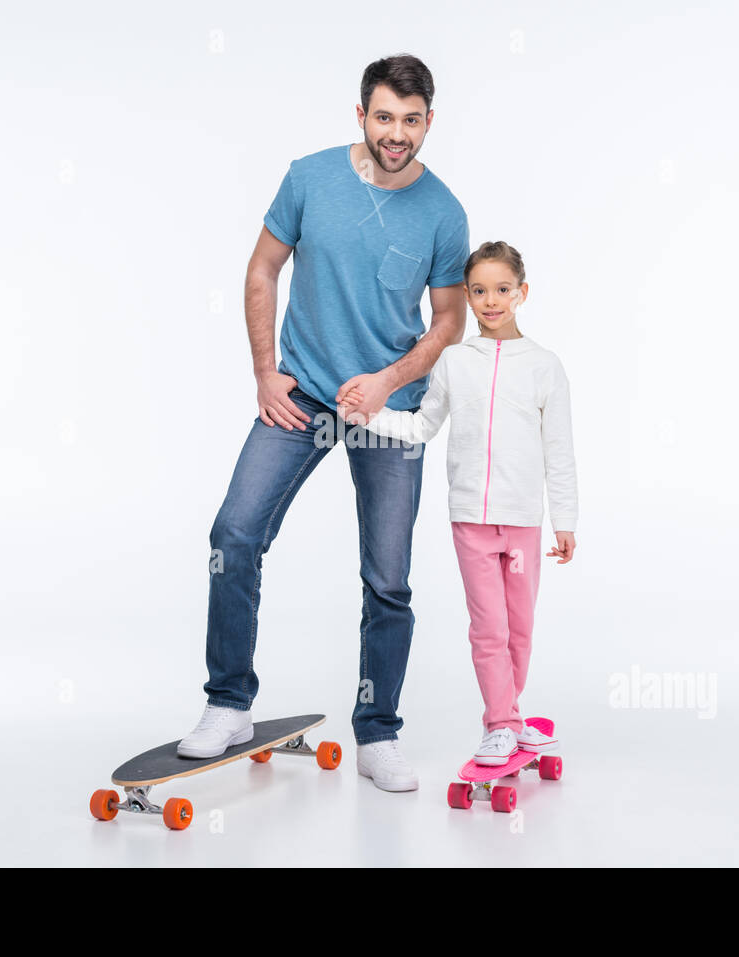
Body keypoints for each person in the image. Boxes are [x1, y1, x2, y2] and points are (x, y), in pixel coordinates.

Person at [176, 54, 470, 793]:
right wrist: (264, 369)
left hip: (390, 407)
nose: (395, 134)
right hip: (302, 391)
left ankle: (377, 732)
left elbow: (447, 324)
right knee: (234, 534)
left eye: (410, 120)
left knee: (388, 579)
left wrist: (387, 382)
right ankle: (229, 702)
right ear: (361, 115)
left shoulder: (444, 212)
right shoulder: (309, 178)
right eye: (383, 117)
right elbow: (261, 269)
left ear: (429, 121)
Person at [337, 241, 578, 765]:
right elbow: (422, 426)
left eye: (501, 290)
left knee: (520, 629)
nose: (490, 301)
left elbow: (559, 448)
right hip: (470, 519)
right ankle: (500, 725)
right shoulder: (453, 361)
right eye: (479, 291)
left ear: (522, 293)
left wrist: (566, 520)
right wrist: (368, 415)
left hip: (523, 523)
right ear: (466, 296)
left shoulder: (544, 366)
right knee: (487, 627)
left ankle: (511, 716)